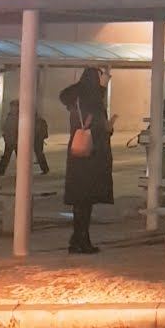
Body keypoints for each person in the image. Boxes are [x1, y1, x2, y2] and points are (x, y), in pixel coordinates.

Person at [60, 67, 115, 254]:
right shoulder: (93, 103)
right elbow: (99, 129)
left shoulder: (76, 100)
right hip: (90, 158)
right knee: (85, 202)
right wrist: (108, 129)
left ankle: (77, 239)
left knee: (80, 201)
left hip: (77, 156)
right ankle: (82, 240)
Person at [0, 100, 19, 175]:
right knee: (6, 157)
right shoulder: (9, 116)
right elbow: (5, 127)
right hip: (10, 140)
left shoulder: (20, 117)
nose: (13, 108)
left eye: (14, 107)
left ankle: (22, 172)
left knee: (20, 158)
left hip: (17, 141)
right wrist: (6, 136)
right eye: (12, 107)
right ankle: (1, 171)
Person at [34, 110, 50, 175]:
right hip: (38, 139)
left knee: (39, 154)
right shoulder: (40, 121)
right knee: (39, 154)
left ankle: (45, 168)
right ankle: (45, 168)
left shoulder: (38, 121)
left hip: (37, 140)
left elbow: (40, 131)